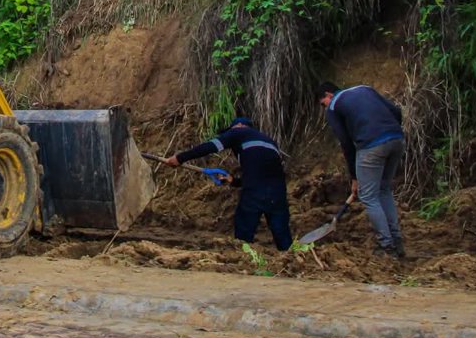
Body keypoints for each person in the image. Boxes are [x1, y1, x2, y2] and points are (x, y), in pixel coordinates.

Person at [164, 117, 292, 251]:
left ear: (239, 125)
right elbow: (261, 175)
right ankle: (291, 262)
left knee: (244, 234)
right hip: (278, 192)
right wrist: (234, 181)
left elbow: (210, 147)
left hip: (254, 192)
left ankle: (243, 260)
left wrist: (179, 158)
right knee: (281, 232)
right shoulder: (270, 142)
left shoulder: (238, 132)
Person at [315, 81, 405, 259]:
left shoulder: (333, 107)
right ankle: (397, 242)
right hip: (397, 139)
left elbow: (346, 143)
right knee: (383, 190)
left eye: (321, 103)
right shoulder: (366, 89)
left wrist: (354, 177)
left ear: (328, 95)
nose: (323, 107)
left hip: (371, 145)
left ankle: (386, 246)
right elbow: (396, 111)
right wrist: (391, 132)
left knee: (368, 196)